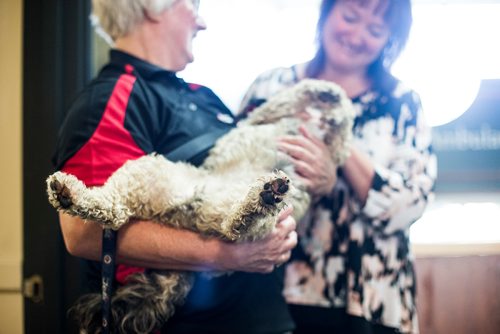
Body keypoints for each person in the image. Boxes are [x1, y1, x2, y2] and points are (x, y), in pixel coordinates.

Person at [53, 0, 298, 333]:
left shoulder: (204, 95)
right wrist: (227, 255)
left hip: (263, 317)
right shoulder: (113, 99)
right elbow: (83, 233)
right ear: (153, 8)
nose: (202, 24)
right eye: (192, 7)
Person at [239, 0, 437, 333]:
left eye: (375, 29)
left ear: (391, 38)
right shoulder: (272, 87)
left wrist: (340, 150)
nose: (357, 35)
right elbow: (231, 170)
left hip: (370, 297)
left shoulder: (401, 103)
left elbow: (411, 203)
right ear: (326, 13)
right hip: (273, 291)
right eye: (349, 17)